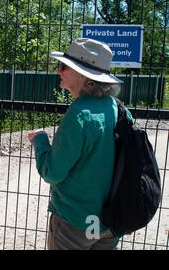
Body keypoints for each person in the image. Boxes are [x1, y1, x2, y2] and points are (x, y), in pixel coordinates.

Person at [28, 38, 129, 250]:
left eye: (64, 66)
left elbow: (53, 172)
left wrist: (40, 139)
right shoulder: (118, 108)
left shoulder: (79, 115)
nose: (59, 71)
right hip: (109, 222)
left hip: (74, 222)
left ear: (83, 76)